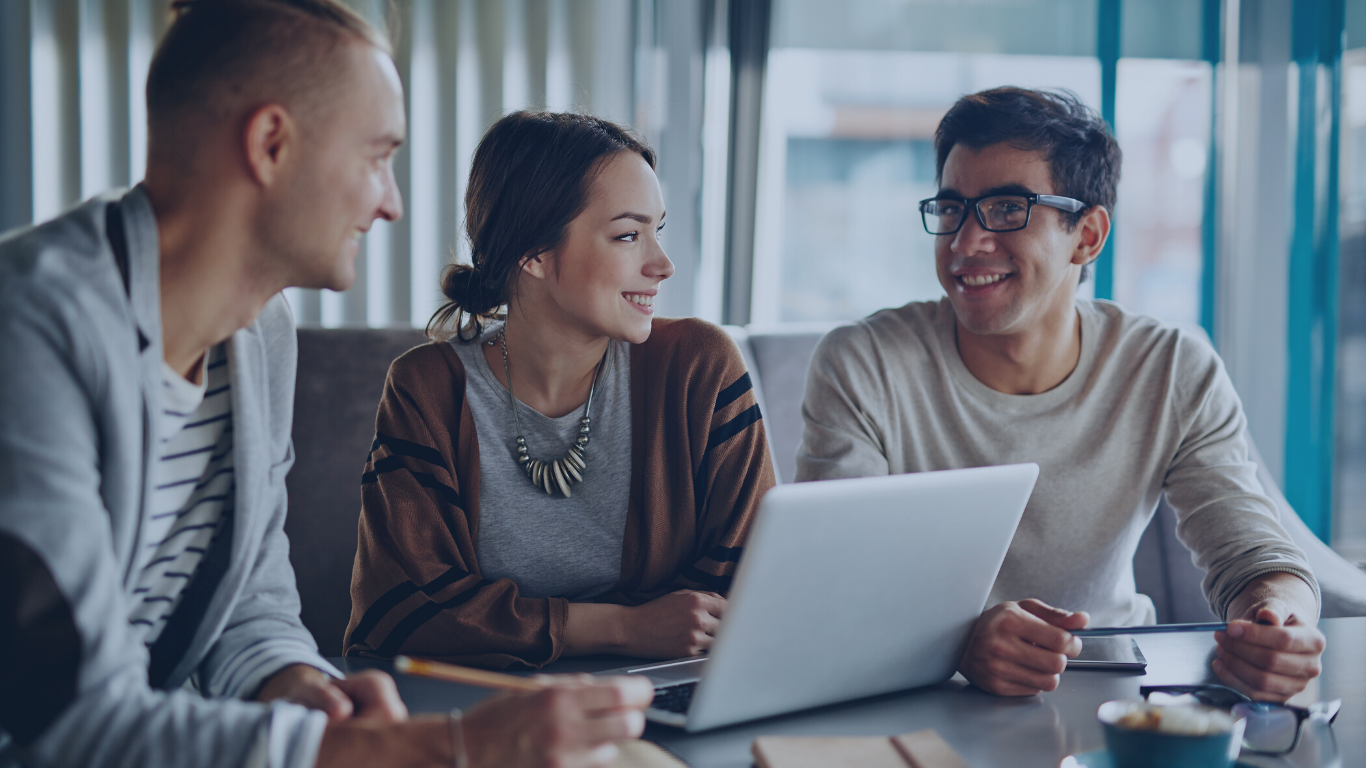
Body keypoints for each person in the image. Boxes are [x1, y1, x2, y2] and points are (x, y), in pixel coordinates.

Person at [0, 2, 650, 767]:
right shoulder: (32, 329)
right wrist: (445, 747)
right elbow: (69, 720)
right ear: (271, 143)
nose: (392, 202)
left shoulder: (259, 330)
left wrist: (302, 687)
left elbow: (250, 605)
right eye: (377, 157)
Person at [796, 87, 1326, 702]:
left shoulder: (1169, 369)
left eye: (1005, 209)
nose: (966, 244)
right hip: (921, 693)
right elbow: (832, 586)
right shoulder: (863, 364)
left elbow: (1253, 554)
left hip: (1119, 694)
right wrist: (955, 642)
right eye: (952, 209)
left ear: (1088, 236)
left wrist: (1278, 621)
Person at [345, 111, 775, 668]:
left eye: (657, 231)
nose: (662, 264)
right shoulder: (427, 390)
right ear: (534, 253)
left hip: (663, 692)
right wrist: (625, 626)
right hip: (491, 710)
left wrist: (498, 622)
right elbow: (400, 611)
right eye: (627, 235)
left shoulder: (698, 368)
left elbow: (750, 587)